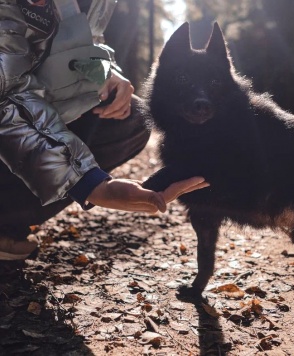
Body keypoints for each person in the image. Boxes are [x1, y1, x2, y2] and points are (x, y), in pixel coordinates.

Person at [0, 0, 208, 260]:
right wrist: (89, 183)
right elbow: (6, 91)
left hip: (31, 100)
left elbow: (88, 41)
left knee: (131, 118)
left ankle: (7, 223)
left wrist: (104, 72)